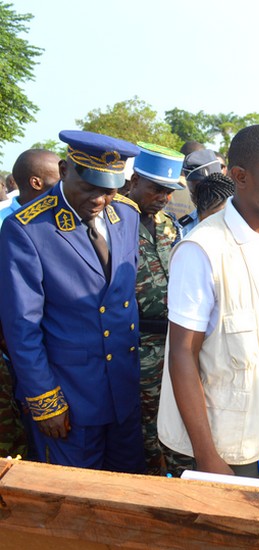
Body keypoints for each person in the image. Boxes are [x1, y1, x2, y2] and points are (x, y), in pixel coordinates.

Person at [157, 124, 259, 482]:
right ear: (240, 176)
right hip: (233, 439)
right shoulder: (202, 250)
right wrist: (207, 455)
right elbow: (182, 354)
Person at [0, 130, 144, 473]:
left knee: (126, 499)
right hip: (69, 401)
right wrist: (45, 402)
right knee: (72, 506)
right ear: (65, 170)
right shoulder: (28, 229)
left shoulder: (126, 216)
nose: (98, 200)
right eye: (89, 187)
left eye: (108, 191)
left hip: (123, 394)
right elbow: (23, 327)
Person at [127, 143, 185, 476]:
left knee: (176, 415)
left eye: (168, 190)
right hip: (137, 343)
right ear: (134, 181)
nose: (163, 196)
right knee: (144, 424)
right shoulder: (115, 223)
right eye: (156, 189)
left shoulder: (170, 226)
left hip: (172, 341)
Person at [0, 149, 60, 224]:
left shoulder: (63, 217)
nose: (64, 186)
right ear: (36, 183)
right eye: (60, 181)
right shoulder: (3, 222)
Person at [177, 149, 223, 234]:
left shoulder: (241, 217)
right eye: (194, 193)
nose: (198, 198)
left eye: (205, 191)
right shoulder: (184, 227)